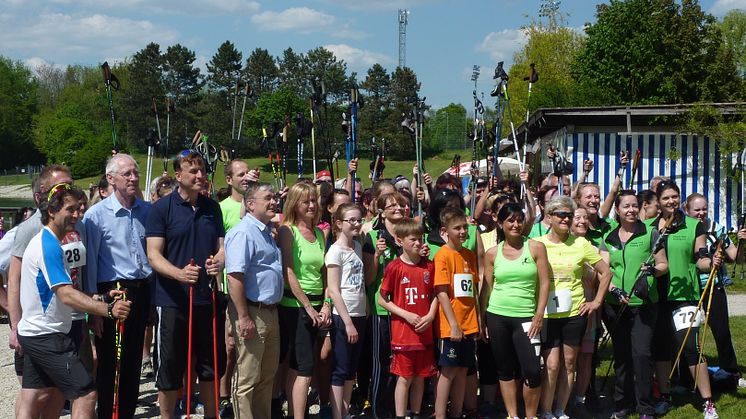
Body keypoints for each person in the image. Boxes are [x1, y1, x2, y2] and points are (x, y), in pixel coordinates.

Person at [17, 184, 131, 418]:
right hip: (46, 335)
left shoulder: (52, 242)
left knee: (48, 393)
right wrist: (108, 310)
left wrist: (99, 297)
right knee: (86, 393)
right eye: (70, 210)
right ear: (51, 211)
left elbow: (60, 292)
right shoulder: (48, 245)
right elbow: (66, 294)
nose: (77, 215)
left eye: (80, 209)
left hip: (38, 332)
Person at [146, 150, 227, 418]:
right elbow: (154, 255)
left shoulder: (211, 207)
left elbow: (222, 248)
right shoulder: (161, 209)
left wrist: (218, 262)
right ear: (178, 175)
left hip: (206, 298)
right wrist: (178, 274)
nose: (200, 175)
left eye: (202, 169)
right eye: (192, 171)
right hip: (171, 301)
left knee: (210, 366)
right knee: (169, 368)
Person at [82, 153, 152, 419]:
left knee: (134, 360)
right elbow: (90, 264)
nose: (134, 178)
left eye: (135, 173)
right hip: (113, 290)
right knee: (111, 361)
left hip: (142, 288)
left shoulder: (147, 211)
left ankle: (127, 412)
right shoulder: (96, 216)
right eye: (127, 174)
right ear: (111, 179)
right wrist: (95, 309)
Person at [535, 196, 611, 419]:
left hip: (574, 312)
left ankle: (561, 409)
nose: (566, 219)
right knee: (551, 364)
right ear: (549, 218)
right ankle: (546, 410)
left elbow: (606, 272)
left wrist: (596, 302)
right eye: (561, 214)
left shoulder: (581, 243)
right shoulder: (538, 243)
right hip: (548, 313)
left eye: (569, 215)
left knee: (569, 363)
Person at [648, 181, 720, 419]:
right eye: (666, 197)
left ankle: (707, 401)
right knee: (661, 348)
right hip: (656, 296)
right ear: (658, 201)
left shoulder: (693, 225)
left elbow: (700, 258)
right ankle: (665, 395)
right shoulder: (648, 226)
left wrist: (711, 262)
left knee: (691, 348)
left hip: (684, 295)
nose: (671, 201)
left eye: (675, 196)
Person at [7, 165, 74, 418]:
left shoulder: (73, 224)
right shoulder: (30, 228)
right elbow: (14, 279)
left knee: (58, 389)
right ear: (42, 195)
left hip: (65, 321)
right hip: (36, 326)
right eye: (62, 187)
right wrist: (15, 326)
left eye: (71, 185)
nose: (69, 191)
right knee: (33, 392)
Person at [480, 203, 550, 419]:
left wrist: (539, 314)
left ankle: (530, 415)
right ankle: (512, 415)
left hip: (527, 317)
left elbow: (545, 283)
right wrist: (481, 319)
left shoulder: (536, 247)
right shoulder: (492, 253)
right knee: (505, 369)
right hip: (497, 316)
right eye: (510, 220)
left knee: (532, 370)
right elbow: (486, 289)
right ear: (500, 224)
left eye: (519, 219)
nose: (516, 224)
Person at [602, 190, 668, 419]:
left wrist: (651, 270)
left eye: (634, 206)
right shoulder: (608, 238)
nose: (631, 210)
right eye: (625, 206)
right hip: (616, 305)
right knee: (622, 356)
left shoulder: (650, 234)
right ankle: (623, 403)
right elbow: (604, 270)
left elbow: (663, 265)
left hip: (644, 304)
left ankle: (645, 407)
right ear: (617, 210)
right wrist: (614, 290)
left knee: (641, 354)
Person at [225, 182, 284, 419]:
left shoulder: (266, 232)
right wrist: (243, 316)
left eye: (275, 197)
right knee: (247, 378)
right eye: (267, 198)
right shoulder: (243, 233)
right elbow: (235, 276)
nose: (274, 202)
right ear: (250, 204)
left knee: (266, 376)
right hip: (252, 311)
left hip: (270, 311)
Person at [277, 181, 331, 419]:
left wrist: (326, 302)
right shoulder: (287, 230)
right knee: (303, 367)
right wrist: (308, 306)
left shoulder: (319, 232)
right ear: (294, 204)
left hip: (319, 303)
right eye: (305, 201)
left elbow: (324, 271)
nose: (311, 205)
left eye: (313, 200)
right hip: (296, 305)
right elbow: (288, 271)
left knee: (302, 365)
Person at [684, 193, 746, 388]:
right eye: (697, 210)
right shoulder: (682, 228)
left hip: (713, 284)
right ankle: (686, 376)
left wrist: (743, 241)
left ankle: (731, 371)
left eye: (704, 209)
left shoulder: (716, 229)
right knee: (688, 334)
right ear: (687, 210)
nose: (701, 213)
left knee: (721, 331)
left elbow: (737, 257)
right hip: (689, 286)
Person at [378, 219, 438, 419]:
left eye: (420, 239)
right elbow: (382, 299)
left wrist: (430, 315)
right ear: (399, 240)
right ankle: (400, 415)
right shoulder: (395, 267)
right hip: (404, 333)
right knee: (405, 377)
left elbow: (437, 294)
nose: (418, 243)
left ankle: (417, 412)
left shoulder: (429, 266)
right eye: (413, 239)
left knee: (421, 377)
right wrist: (405, 314)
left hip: (424, 331)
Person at [362, 191, 409, 418]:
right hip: (383, 309)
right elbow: (369, 279)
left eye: (401, 205)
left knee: (403, 361)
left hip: (407, 309)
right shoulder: (372, 237)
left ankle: (399, 408)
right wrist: (377, 256)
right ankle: (380, 410)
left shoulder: (409, 235)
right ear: (381, 211)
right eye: (391, 206)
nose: (398, 209)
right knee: (382, 361)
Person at [433, 207, 480, 419]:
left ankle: (457, 412)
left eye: (464, 227)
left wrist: (478, 320)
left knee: (463, 370)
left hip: (469, 323)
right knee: (448, 371)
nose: (462, 232)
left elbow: (473, 292)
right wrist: (453, 323)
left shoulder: (469, 255)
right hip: (451, 325)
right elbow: (442, 292)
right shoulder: (443, 256)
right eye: (457, 228)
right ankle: (440, 414)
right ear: (446, 231)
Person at [325, 203, 368, 419]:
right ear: (339, 224)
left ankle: (345, 409)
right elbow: (333, 290)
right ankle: (336, 414)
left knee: (352, 369)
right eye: (351, 220)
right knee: (341, 368)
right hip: (344, 315)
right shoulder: (335, 251)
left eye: (359, 219)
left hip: (359, 312)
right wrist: (347, 322)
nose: (356, 224)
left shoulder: (357, 246)